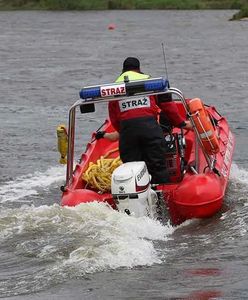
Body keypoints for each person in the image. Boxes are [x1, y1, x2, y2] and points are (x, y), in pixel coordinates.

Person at [96, 57, 192, 184]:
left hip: (128, 133)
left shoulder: (115, 88)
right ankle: (162, 197)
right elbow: (168, 106)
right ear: (139, 69)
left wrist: (123, 132)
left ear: (122, 70)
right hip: (150, 130)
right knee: (158, 166)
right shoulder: (150, 82)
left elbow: (114, 117)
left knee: (131, 170)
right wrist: (181, 123)